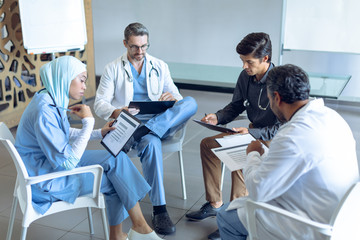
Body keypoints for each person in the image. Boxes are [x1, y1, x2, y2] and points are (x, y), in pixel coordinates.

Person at [15, 56, 163, 240]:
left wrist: (98, 132)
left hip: (48, 163)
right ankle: (131, 231)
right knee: (117, 180)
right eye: (82, 80)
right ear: (65, 77)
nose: (85, 86)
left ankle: (133, 230)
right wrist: (88, 123)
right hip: (47, 178)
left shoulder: (47, 97)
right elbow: (68, 163)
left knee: (116, 159)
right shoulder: (44, 111)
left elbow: (62, 133)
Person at [216, 64, 359, 239]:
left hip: (311, 225)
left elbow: (258, 191)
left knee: (225, 216)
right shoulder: (332, 117)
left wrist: (253, 154)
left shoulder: (292, 134)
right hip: (343, 217)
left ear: (276, 97)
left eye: (268, 99)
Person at [94, 22, 198, 235]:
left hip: (160, 121)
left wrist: (172, 97)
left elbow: (176, 95)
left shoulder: (160, 65)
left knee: (190, 102)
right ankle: (160, 210)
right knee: (151, 143)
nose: (140, 52)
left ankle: (146, 131)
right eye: (134, 47)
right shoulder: (112, 68)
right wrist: (117, 112)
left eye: (144, 46)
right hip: (130, 123)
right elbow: (99, 103)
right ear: (125, 43)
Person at [185, 32, 280, 240]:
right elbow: (236, 105)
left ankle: (236, 217)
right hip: (251, 132)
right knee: (207, 145)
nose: (245, 67)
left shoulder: (279, 82)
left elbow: (281, 127)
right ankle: (215, 204)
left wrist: (252, 132)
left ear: (265, 59)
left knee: (241, 158)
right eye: (242, 61)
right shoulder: (246, 76)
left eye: (249, 62)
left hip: (271, 139)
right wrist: (217, 117)